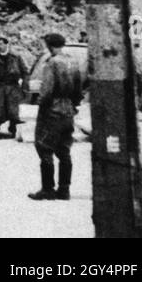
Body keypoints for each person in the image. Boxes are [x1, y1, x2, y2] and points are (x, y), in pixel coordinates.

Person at [30, 32, 85, 201]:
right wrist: (73, 106)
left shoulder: (51, 63)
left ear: (49, 45)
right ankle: (64, 189)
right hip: (68, 110)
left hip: (52, 111)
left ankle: (48, 189)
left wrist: (41, 105)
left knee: (45, 148)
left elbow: (46, 91)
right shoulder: (73, 62)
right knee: (64, 151)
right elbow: (78, 89)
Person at [0, 34, 27, 134]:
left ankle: (13, 129)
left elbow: (25, 71)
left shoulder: (16, 56)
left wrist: (24, 84)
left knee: (13, 110)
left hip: (13, 86)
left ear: (6, 44)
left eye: (1, 44)